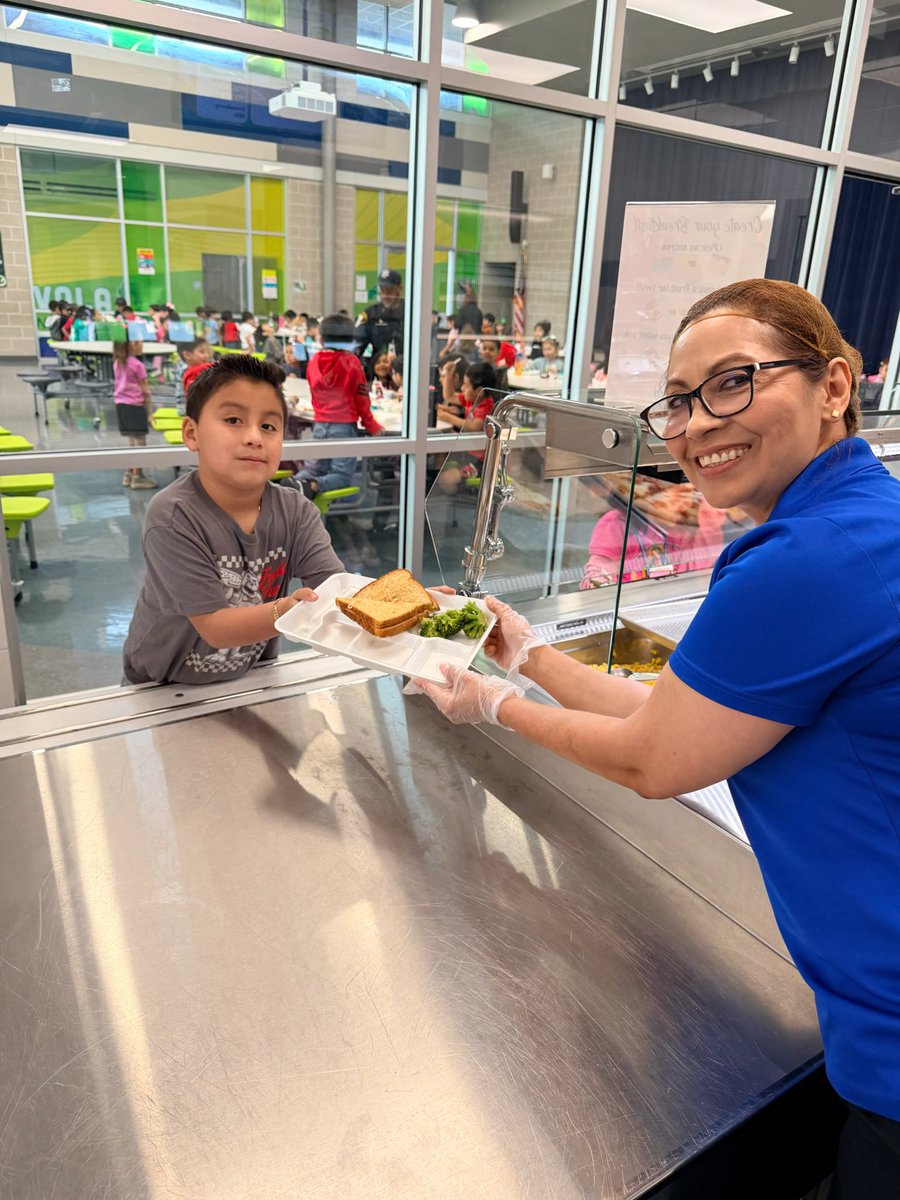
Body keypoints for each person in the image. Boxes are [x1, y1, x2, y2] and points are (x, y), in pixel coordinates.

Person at [415, 278, 900, 1199]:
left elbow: (652, 760)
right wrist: (524, 653)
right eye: (678, 400)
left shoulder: (808, 561)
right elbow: (664, 716)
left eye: (733, 382)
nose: (694, 423)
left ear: (834, 385)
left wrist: (490, 705)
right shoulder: (860, 521)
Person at [123, 355, 342, 686]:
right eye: (233, 420)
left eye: (269, 426)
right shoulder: (173, 515)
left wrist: (407, 607)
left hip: (249, 676)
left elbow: (336, 589)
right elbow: (215, 626)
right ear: (192, 433)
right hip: (163, 684)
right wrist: (287, 610)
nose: (254, 436)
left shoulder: (295, 511)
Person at [293, 312, 384, 501]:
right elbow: (361, 398)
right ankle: (312, 486)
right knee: (342, 476)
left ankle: (293, 486)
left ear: (322, 338)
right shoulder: (351, 362)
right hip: (343, 427)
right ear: (352, 339)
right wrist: (371, 425)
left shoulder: (314, 361)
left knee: (315, 468)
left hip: (320, 426)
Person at [433, 359, 497, 492]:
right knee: (438, 462)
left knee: (445, 479)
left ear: (480, 391)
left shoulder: (487, 405)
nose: (462, 388)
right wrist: (448, 374)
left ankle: (463, 498)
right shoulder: (471, 399)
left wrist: (449, 418)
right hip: (467, 452)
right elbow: (449, 396)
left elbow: (474, 426)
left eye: (466, 386)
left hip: (481, 461)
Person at [113, 339, 156, 490]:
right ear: (132, 344)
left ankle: (129, 473)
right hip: (135, 405)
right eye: (139, 341)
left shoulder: (117, 362)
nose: (142, 344)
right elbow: (146, 390)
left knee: (131, 441)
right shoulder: (137, 365)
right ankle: (138, 476)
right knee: (140, 442)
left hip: (121, 405)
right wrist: (149, 413)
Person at [355, 268, 405, 359]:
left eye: (389, 291)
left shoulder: (410, 313)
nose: (385, 295)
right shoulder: (370, 314)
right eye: (382, 290)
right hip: (378, 368)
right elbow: (357, 346)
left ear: (399, 289)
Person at [173, 337, 213, 412]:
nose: (207, 355)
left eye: (207, 352)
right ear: (187, 355)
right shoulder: (192, 371)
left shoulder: (183, 368)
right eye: (202, 352)